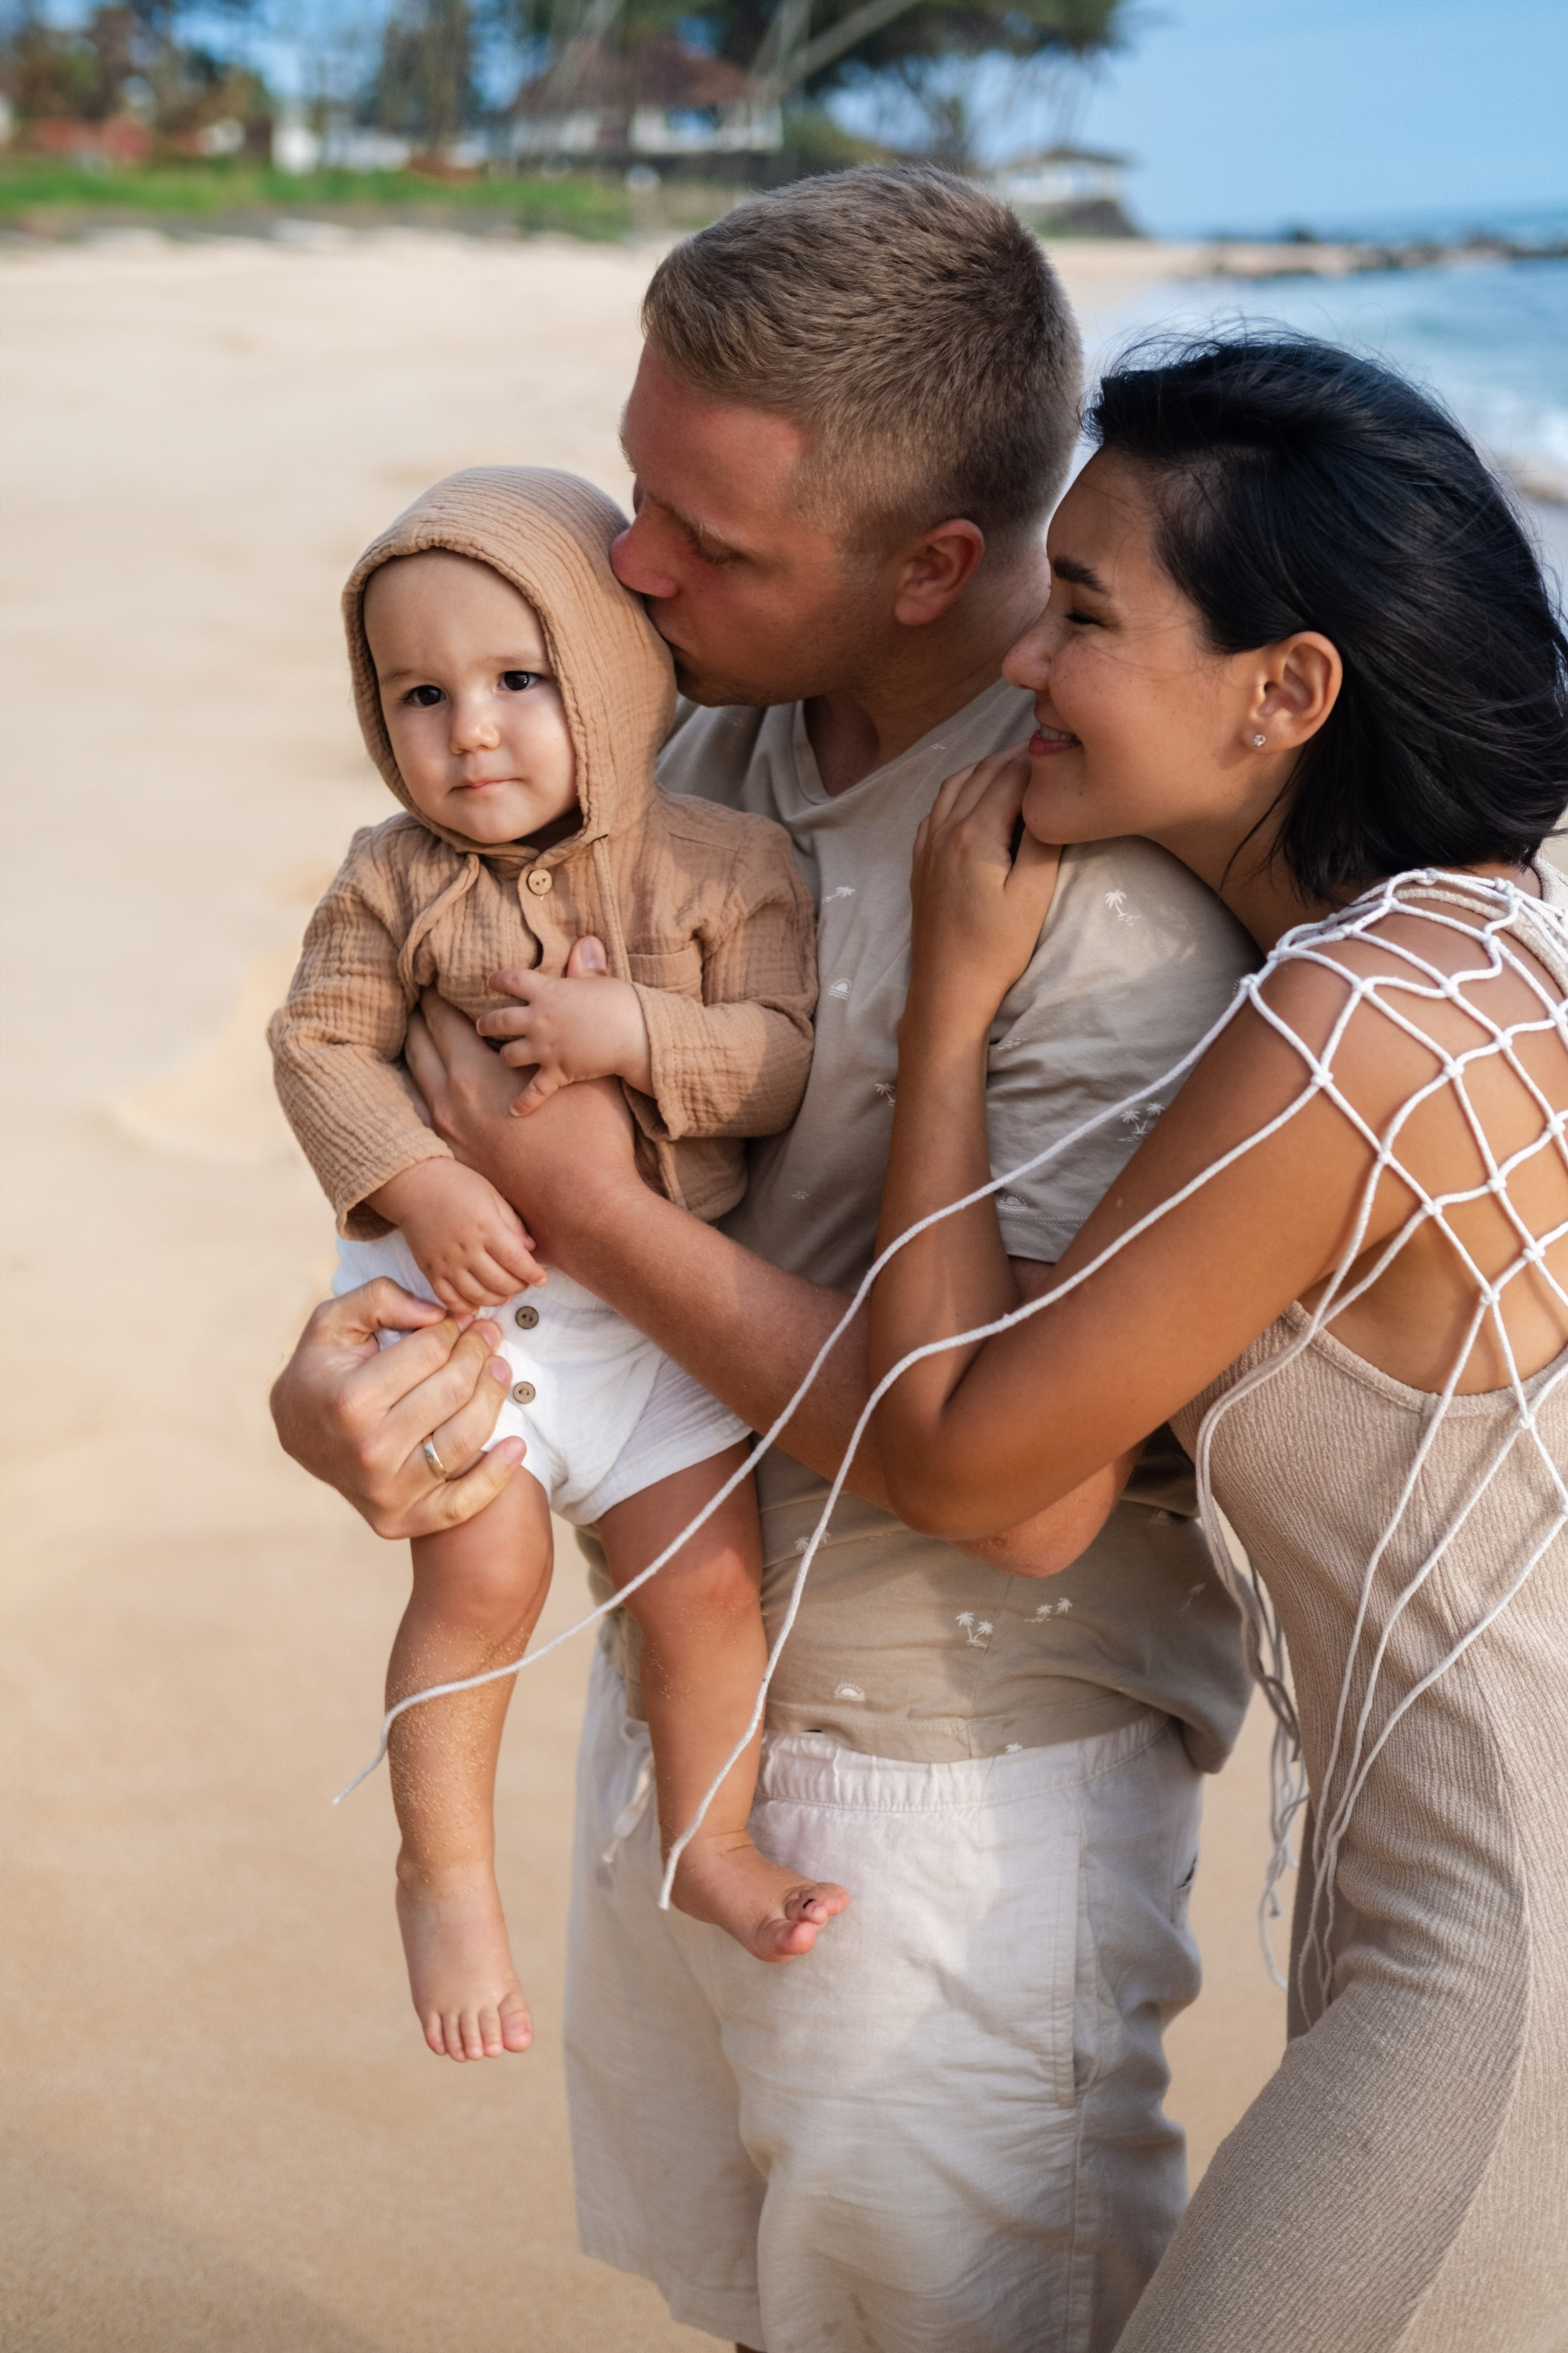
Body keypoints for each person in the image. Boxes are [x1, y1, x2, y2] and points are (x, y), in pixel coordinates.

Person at [271, 169, 1256, 2353]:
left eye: (708, 543)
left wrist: (606, 1214)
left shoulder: (1099, 907)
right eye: (637, 493)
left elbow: (1023, 1484)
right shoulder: (678, 744)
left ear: (930, 565)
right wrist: (348, 1395)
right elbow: (454, 1152)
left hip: (958, 1802)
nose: (632, 566)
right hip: (686, 1698)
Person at [866, 335, 1568, 2350]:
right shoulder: (1514, 933)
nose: (1022, 664)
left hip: (1497, 1973)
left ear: (1289, 693)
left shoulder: (1349, 1024)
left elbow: (971, 1466)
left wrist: (947, 1014)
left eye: (1081, 615)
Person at [270, 465, 849, 2065]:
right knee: (487, 1571)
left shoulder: (729, 864)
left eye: (522, 680)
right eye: (421, 694)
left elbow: (784, 1059)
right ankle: (444, 1870)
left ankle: (713, 1838)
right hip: (470, 1302)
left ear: (612, 672)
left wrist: (643, 1031)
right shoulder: (394, 878)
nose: (472, 729)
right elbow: (321, 1046)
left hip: (660, 1322)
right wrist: (425, 1176)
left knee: (711, 1583)